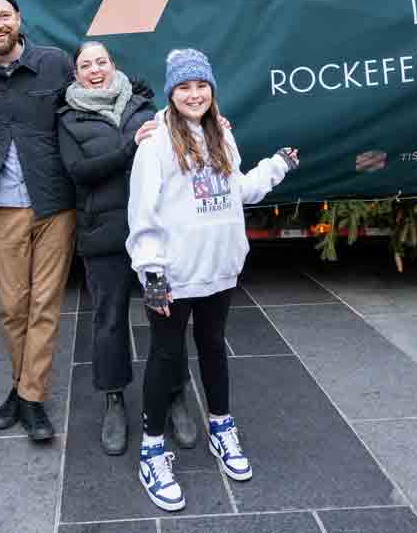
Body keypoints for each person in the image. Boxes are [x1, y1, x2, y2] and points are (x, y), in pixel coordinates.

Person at [126, 49, 298, 512]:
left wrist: (276, 166)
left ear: (211, 90)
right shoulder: (155, 144)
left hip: (218, 268)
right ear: (171, 92)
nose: (194, 94)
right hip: (175, 275)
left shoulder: (221, 135)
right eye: (184, 87)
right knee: (165, 355)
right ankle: (152, 449)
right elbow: (141, 215)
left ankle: (222, 428)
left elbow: (235, 191)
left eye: (201, 86)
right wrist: (153, 274)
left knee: (214, 346)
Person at [0, 0, 77, 442]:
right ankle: (22, 387)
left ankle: (31, 397)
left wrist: (140, 114)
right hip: (3, 208)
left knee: (45, 305)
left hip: (54, 204)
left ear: (19, 19)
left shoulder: (54, 63)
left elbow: (88, 104)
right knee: (12, 307)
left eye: (5, 15)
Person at [56, 41, 160, 457]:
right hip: (104, 235)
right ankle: (114, 399)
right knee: (110, 320)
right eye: (85, 65)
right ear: (76, 73)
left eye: (101, 62)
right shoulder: (68, 118)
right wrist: (128, 149)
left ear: (113, 65)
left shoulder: (144, 106)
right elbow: (79, 173)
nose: (95, 70)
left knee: (164, 316)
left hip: (155, 235)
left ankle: (174, 392)